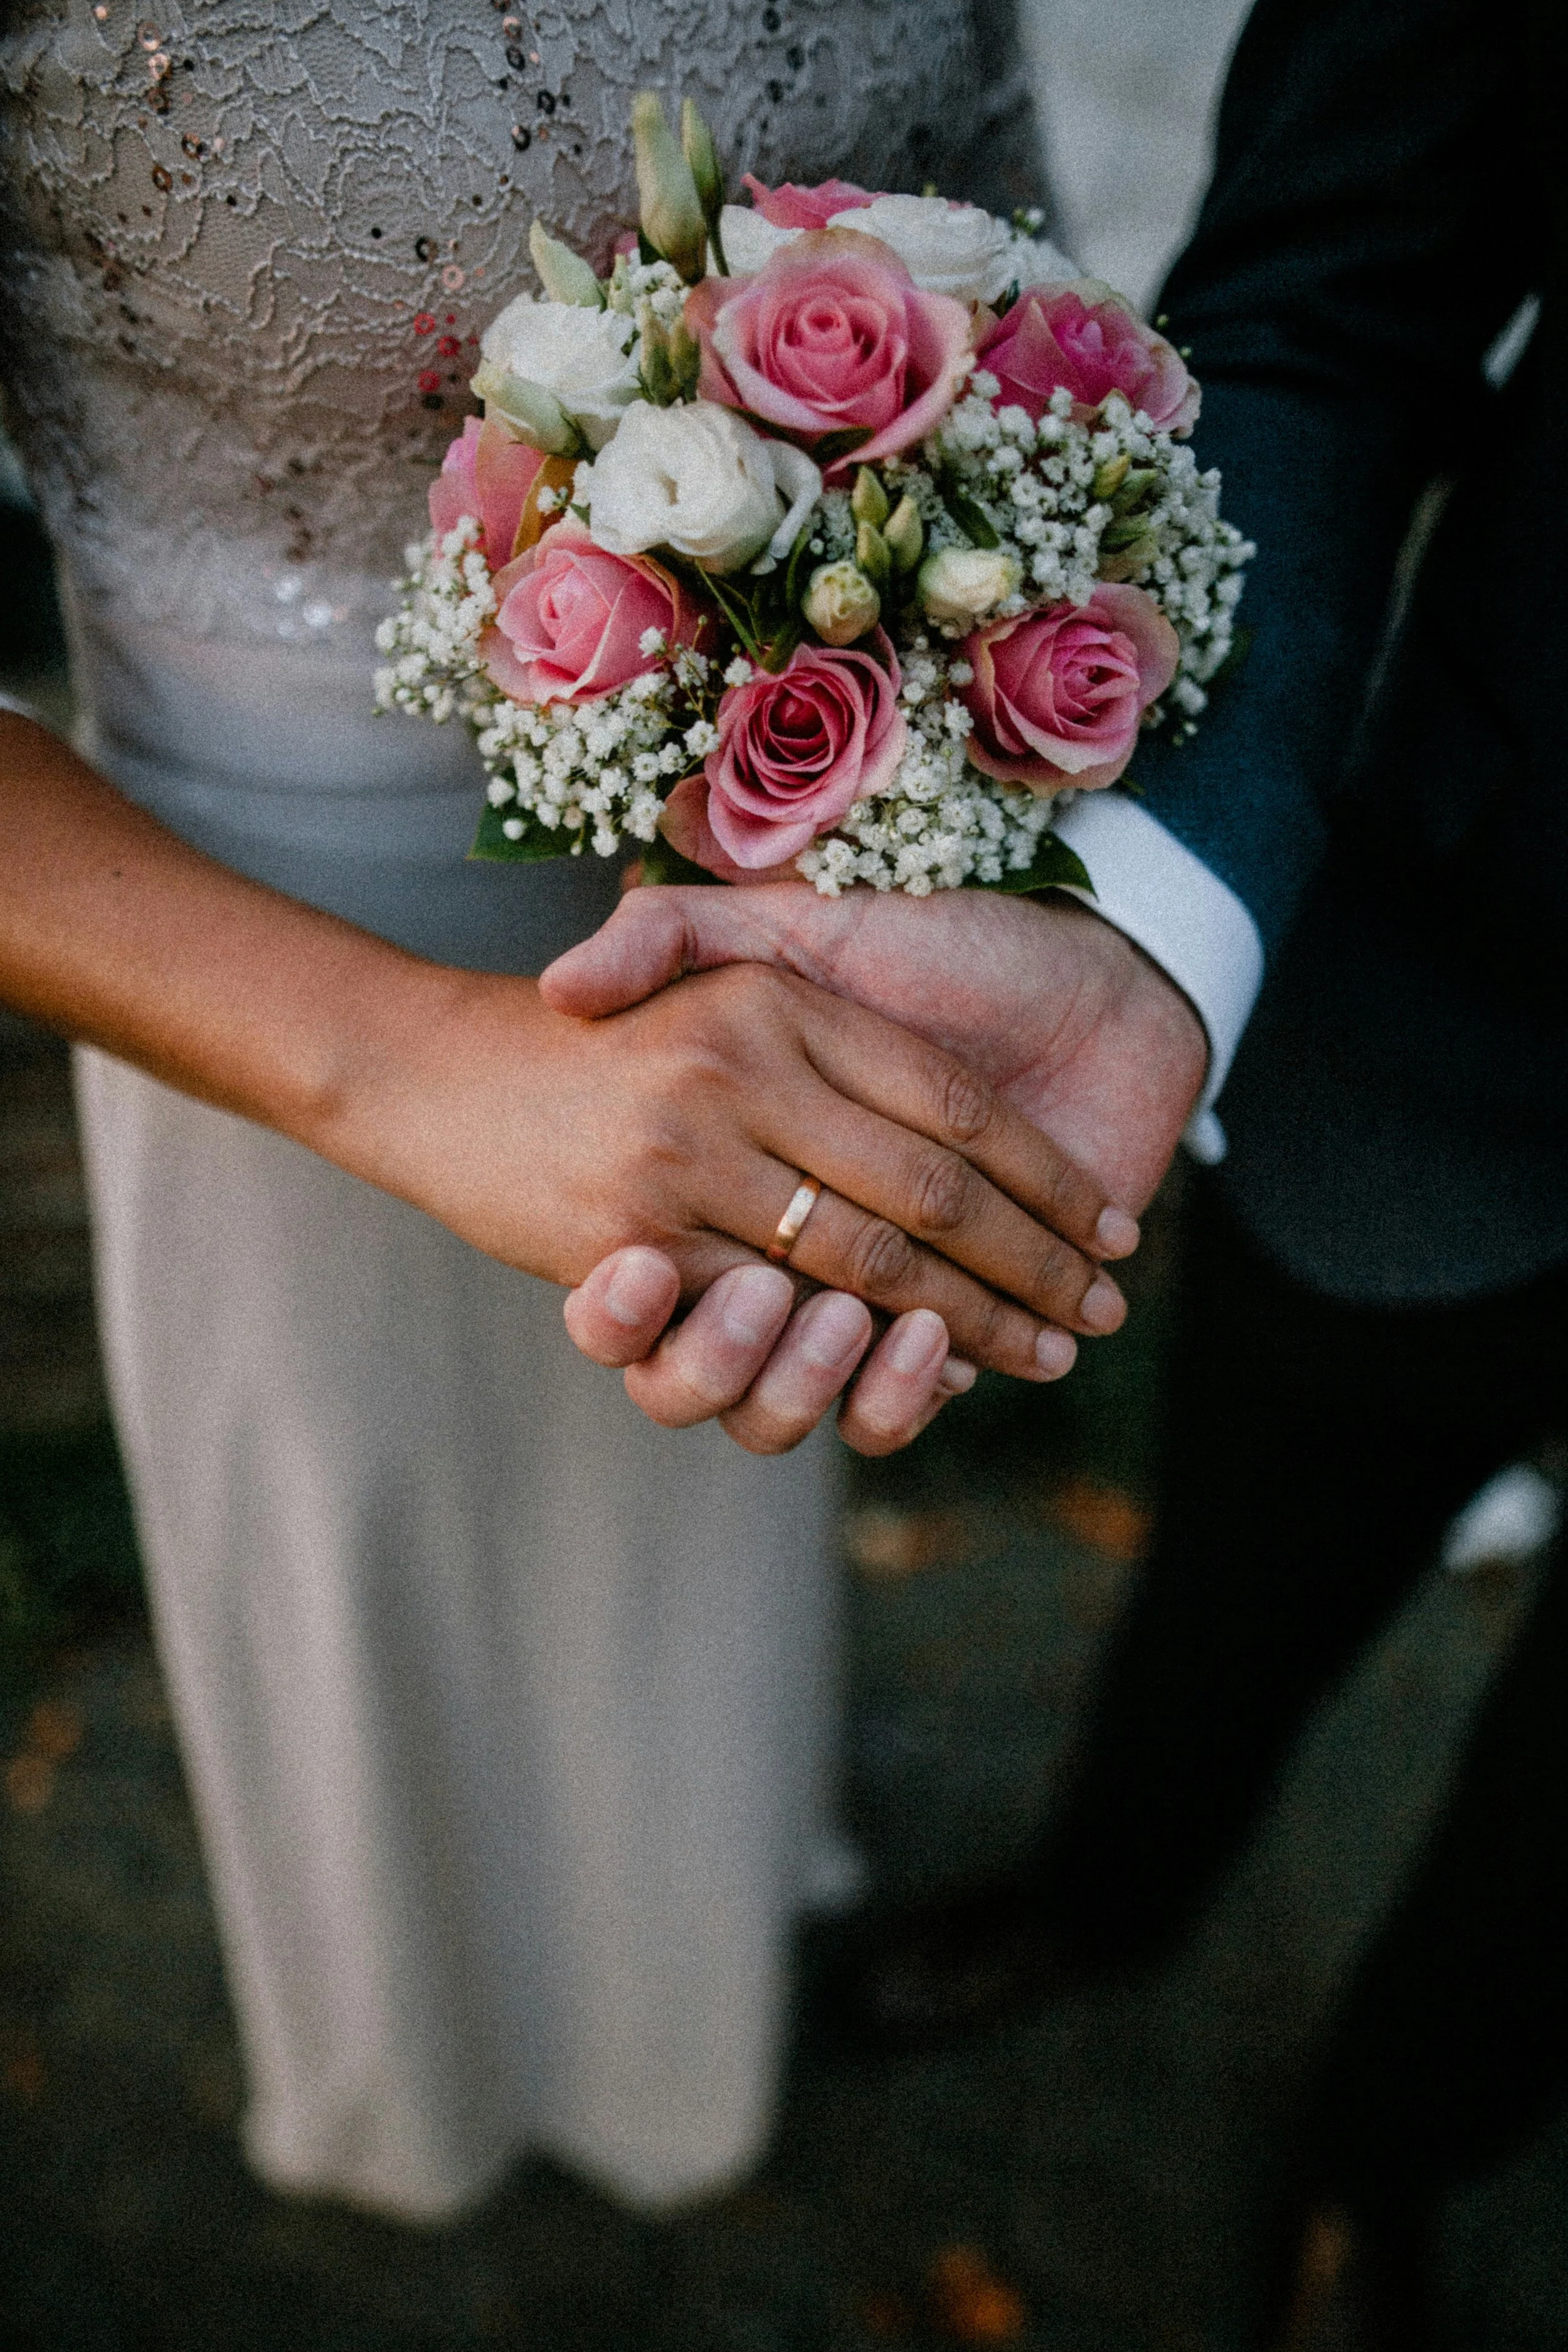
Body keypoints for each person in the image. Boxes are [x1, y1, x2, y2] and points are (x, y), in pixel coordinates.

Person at [0, 0, 1140, 2220]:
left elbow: (1015, 260)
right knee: (362, 1518)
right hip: (251, 915)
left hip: (796, 875)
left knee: (705, 1499)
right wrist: (412, 1069)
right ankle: (408, 2063)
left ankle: (688, 1993)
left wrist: (958, 706)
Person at [554, 0, 1568, 2320]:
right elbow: (1333, 296)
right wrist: (1151, 929)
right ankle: (1108, 1888)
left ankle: (1399, 2145)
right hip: (1472, 980)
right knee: (1243, 1557)